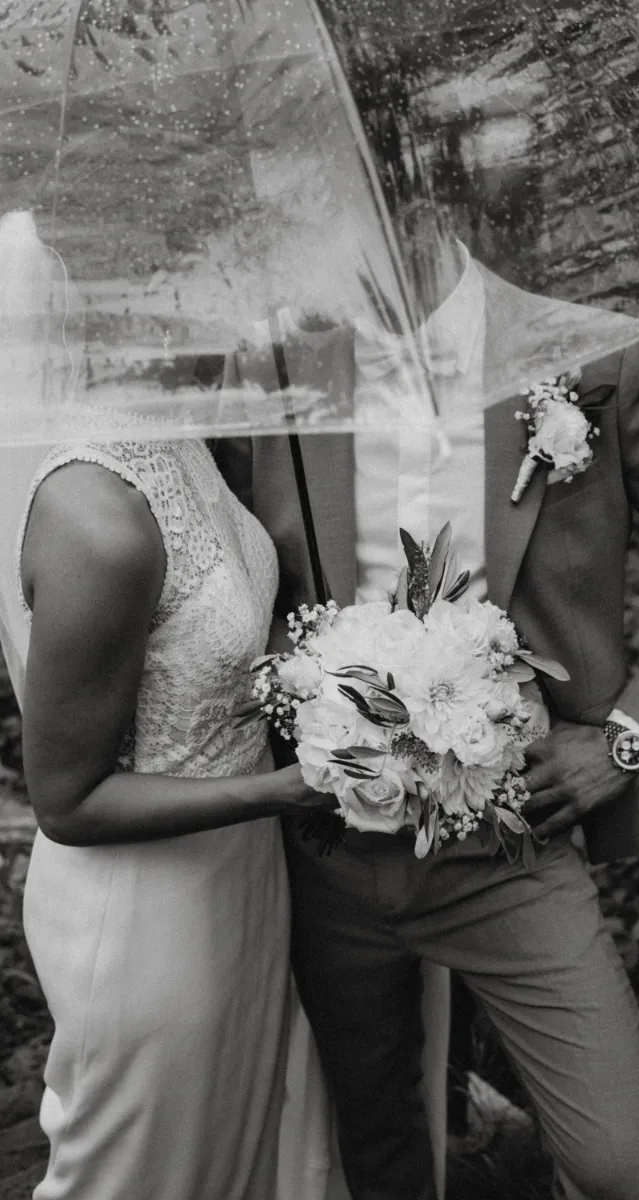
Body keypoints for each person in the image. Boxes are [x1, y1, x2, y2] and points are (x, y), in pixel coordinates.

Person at [219, 200, 639, 1200]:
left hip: (512, 849)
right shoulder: (272, 363)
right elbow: (222, 572)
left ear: (423, 188)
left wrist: (625, 741)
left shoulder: (585, 358)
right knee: (378, 1147)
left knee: (626, 1172)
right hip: (320, 856)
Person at [0, 211, 452, 1200]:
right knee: (135, 1175)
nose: (250, 305)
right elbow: (68, 802)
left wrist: (337, 684)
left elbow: (212, 635)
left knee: (237, 1161)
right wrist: (291, 788)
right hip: (147, 922)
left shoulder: (181, 434)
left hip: (241, 879)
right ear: (138, 301)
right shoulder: (96, 516)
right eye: (218, 280)